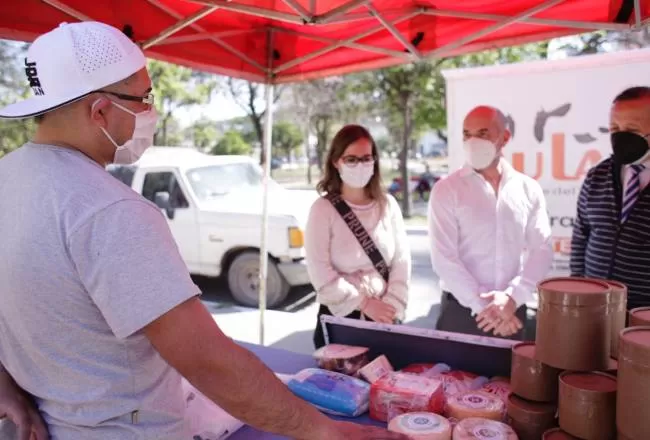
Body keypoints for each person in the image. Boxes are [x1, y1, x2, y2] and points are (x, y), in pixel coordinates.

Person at [0, 21, 408, 440]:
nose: (150, 112)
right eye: (143, 98)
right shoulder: (109, 209)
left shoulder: (8, 178)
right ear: (100, 111)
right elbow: (205, 359)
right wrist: (324, 431)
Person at [428, 105, 553, 339]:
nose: (473, 141)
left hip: (512, 312)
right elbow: (444, 258)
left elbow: (542, 249)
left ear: (504, 137)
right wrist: (485, 308)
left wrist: (513, 297)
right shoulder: (446, 190)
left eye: (483, 133)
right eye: (467, 134)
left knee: (509, 376)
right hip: (460, 313)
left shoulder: (528, 189)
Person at [306, 125, 411, 349]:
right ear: (336, 161)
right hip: (341, 319)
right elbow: (319, 272)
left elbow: (402, 260)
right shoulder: (322, 209)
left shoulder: (388, 205)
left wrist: (391, 305)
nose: (360, 165)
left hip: (386, 316)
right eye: (351, 159)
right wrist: (364, 304)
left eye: (366, 158)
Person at [571, 86, 650, 309]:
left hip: (643, 318)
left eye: (632, 129)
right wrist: (577, 284)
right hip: (593, 308)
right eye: (615, 128)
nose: (620, 135)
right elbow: (581, 234)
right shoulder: (598, 175)